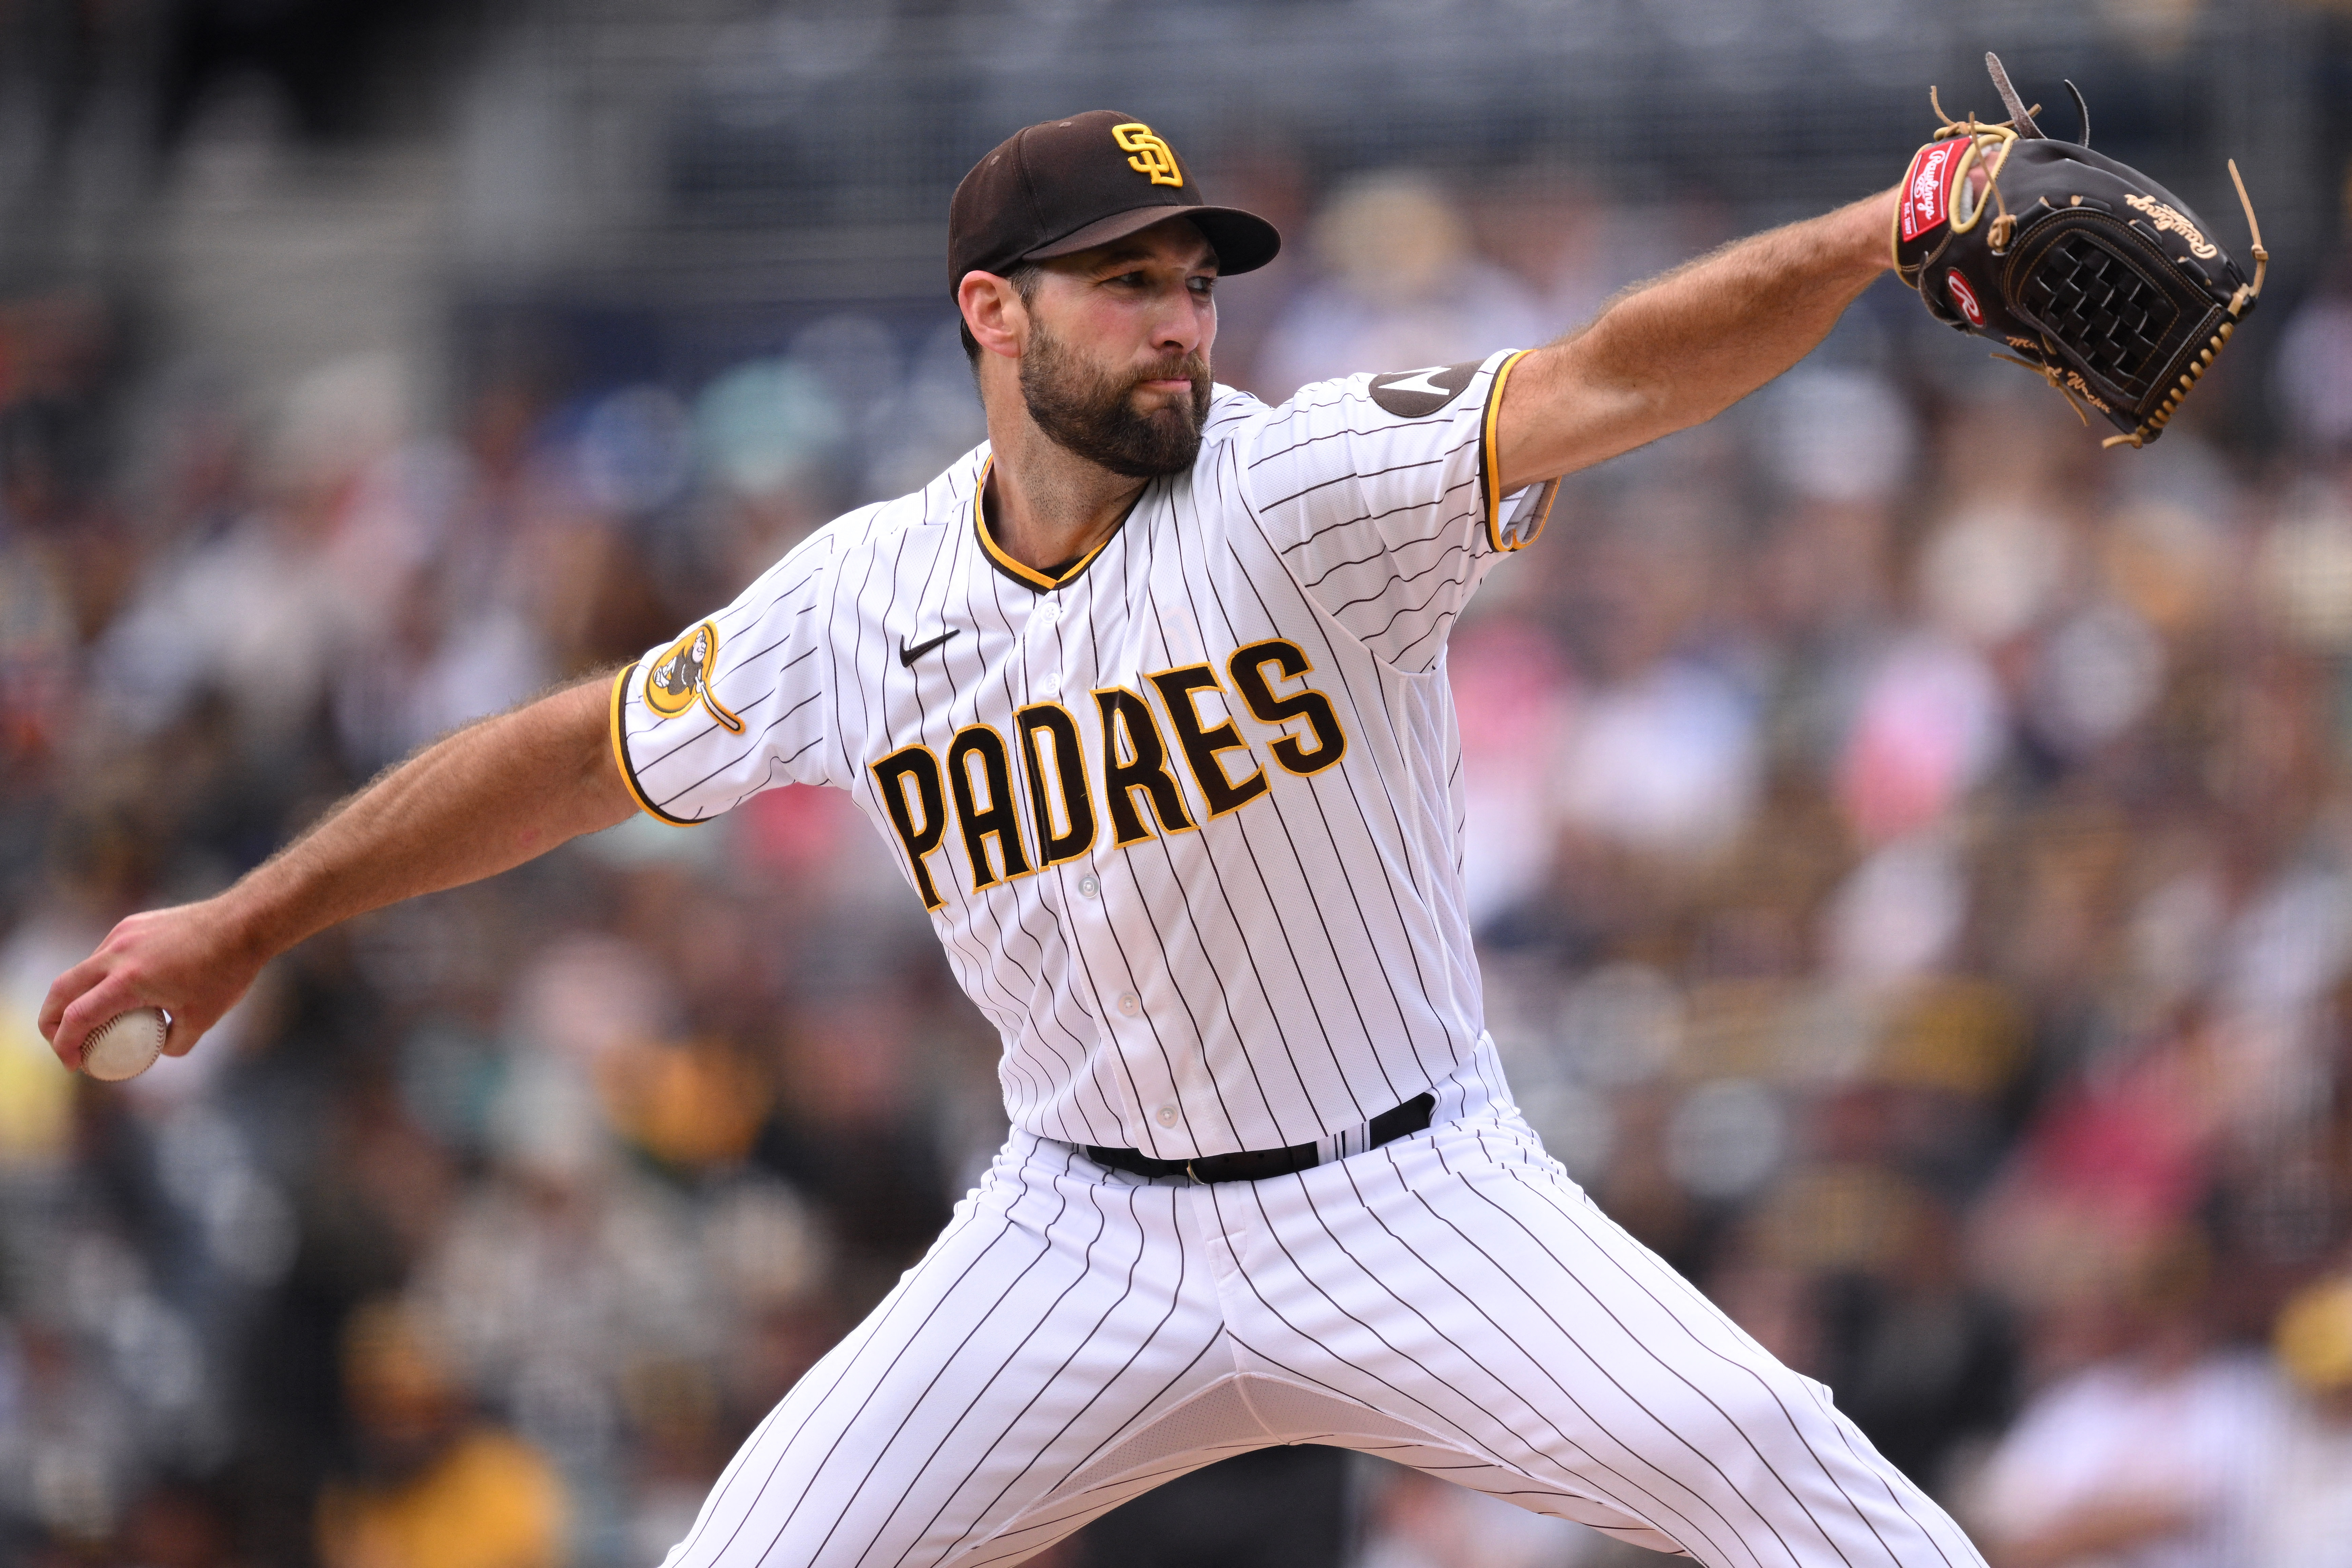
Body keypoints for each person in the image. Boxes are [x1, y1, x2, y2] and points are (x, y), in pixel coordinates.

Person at [45, 111, 1987, 1568]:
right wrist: (253, 913)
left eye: (1195, 281)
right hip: (1081, 1228)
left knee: (1780, 1464)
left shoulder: (1301, 487)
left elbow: (1606, 377)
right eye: (1127, 282)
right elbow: (570, 757)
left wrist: (1876, 231)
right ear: (994, 311)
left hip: (1410, 1195)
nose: (1180, 323)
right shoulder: (857, 597)